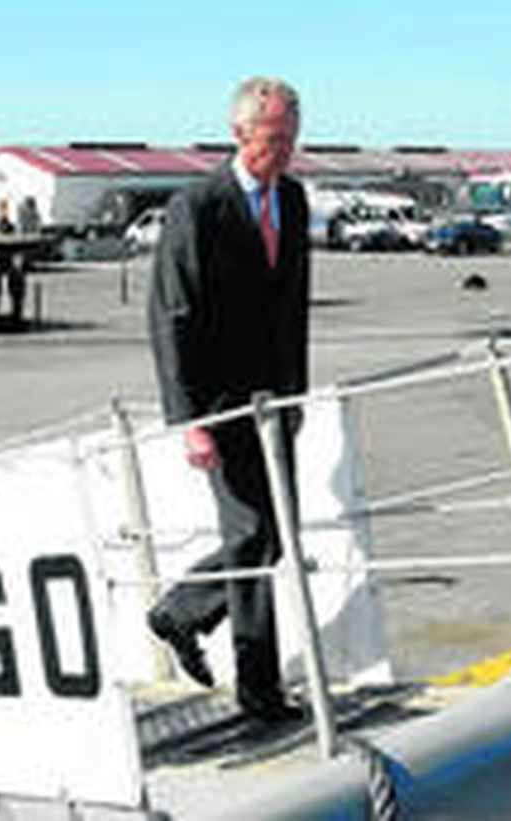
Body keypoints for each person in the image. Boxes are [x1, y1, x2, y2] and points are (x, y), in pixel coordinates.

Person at [145, 77, 311, 723]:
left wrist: (297, 392)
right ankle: (259, 688)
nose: (286, 151)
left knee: (273, 537)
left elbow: (290, 308)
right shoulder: (199, 206)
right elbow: (171, 316)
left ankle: (180, 612)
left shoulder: (293, 200)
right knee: (250, 533)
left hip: (277, 400)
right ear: (240, 134)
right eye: (274, 139)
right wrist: (190, 421)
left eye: (293, 138)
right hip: (221, 400)